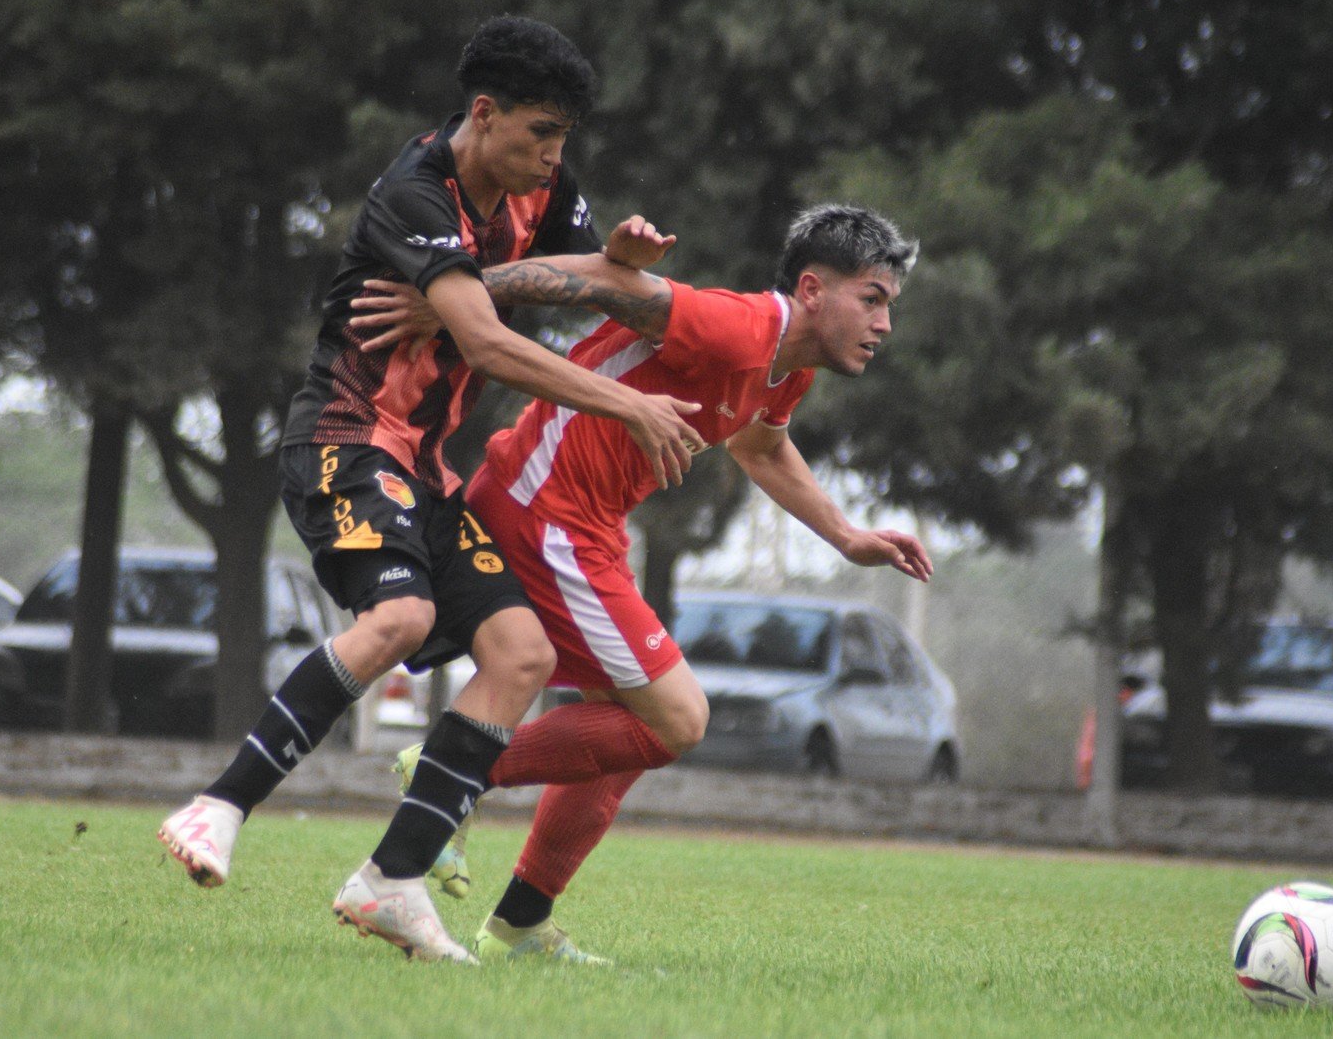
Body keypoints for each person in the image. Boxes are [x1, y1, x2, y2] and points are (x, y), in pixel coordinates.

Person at [155, 16, 701, 963]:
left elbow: (581, 277)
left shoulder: (543, 187)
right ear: (483, 115)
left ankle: (392, 881)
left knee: (520, 652)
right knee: (401, 620)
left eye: (565, 138)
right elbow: (489, 340)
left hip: (423, 469)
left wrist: (616, 257)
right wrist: (627, 405)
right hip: (347, 441)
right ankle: (218, 806)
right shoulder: (412, 194)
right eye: (539, 134)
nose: (553, 156)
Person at [356, 204, 930, 962]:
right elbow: (597, 282)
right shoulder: (741, 326)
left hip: (583, 528)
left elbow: (761, 449)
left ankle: (520, 924)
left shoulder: (784, 369)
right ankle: (451, 766)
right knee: (677, 719)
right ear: (814, 289)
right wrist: (447, 293)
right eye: (873, 299)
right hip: (542, 510)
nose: (883, 324)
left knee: (624, 737)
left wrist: (848, 535)